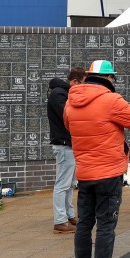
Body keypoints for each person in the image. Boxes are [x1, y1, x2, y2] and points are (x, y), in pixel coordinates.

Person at [64, 59, 130, 258]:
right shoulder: (111, 100)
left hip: (85, 172)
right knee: (105, 224)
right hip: (108, 173)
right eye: (113, 77)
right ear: (109, 79)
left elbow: (69, 126)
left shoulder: (70, 101)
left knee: (84, 223)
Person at [48, 66, 85, 233]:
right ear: (74, 81)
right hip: (64, 144)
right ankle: (60, 220)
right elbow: (70, 115)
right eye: (82, 84)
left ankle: (69, 215)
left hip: (69, 144)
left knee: (70, 183)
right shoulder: (59, 95)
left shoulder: (64, 93)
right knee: (62, 183)